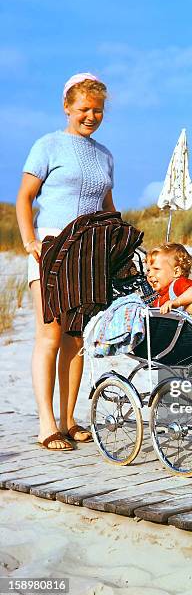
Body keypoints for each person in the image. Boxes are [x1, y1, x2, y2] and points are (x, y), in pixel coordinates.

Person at [15, 72, 116, 451]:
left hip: (89, 253)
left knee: (77, 339)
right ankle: (46, 424)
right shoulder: (48, 145)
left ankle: (68, 419)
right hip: (51, 248)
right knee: (51, 334)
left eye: (98, 110)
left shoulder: (105, 155)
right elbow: (25, 197)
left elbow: (108, 207)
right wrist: (30, 241)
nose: (91, 116)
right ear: (67, 107)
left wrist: (117, 244)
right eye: (84, 109)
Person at [146, 243, 192, 337]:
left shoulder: (178, 284)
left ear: (176, 272)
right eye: (148, 270)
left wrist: (176, 302)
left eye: (156, 269)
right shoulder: (158, 299)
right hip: (181, 335)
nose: (150, 274)